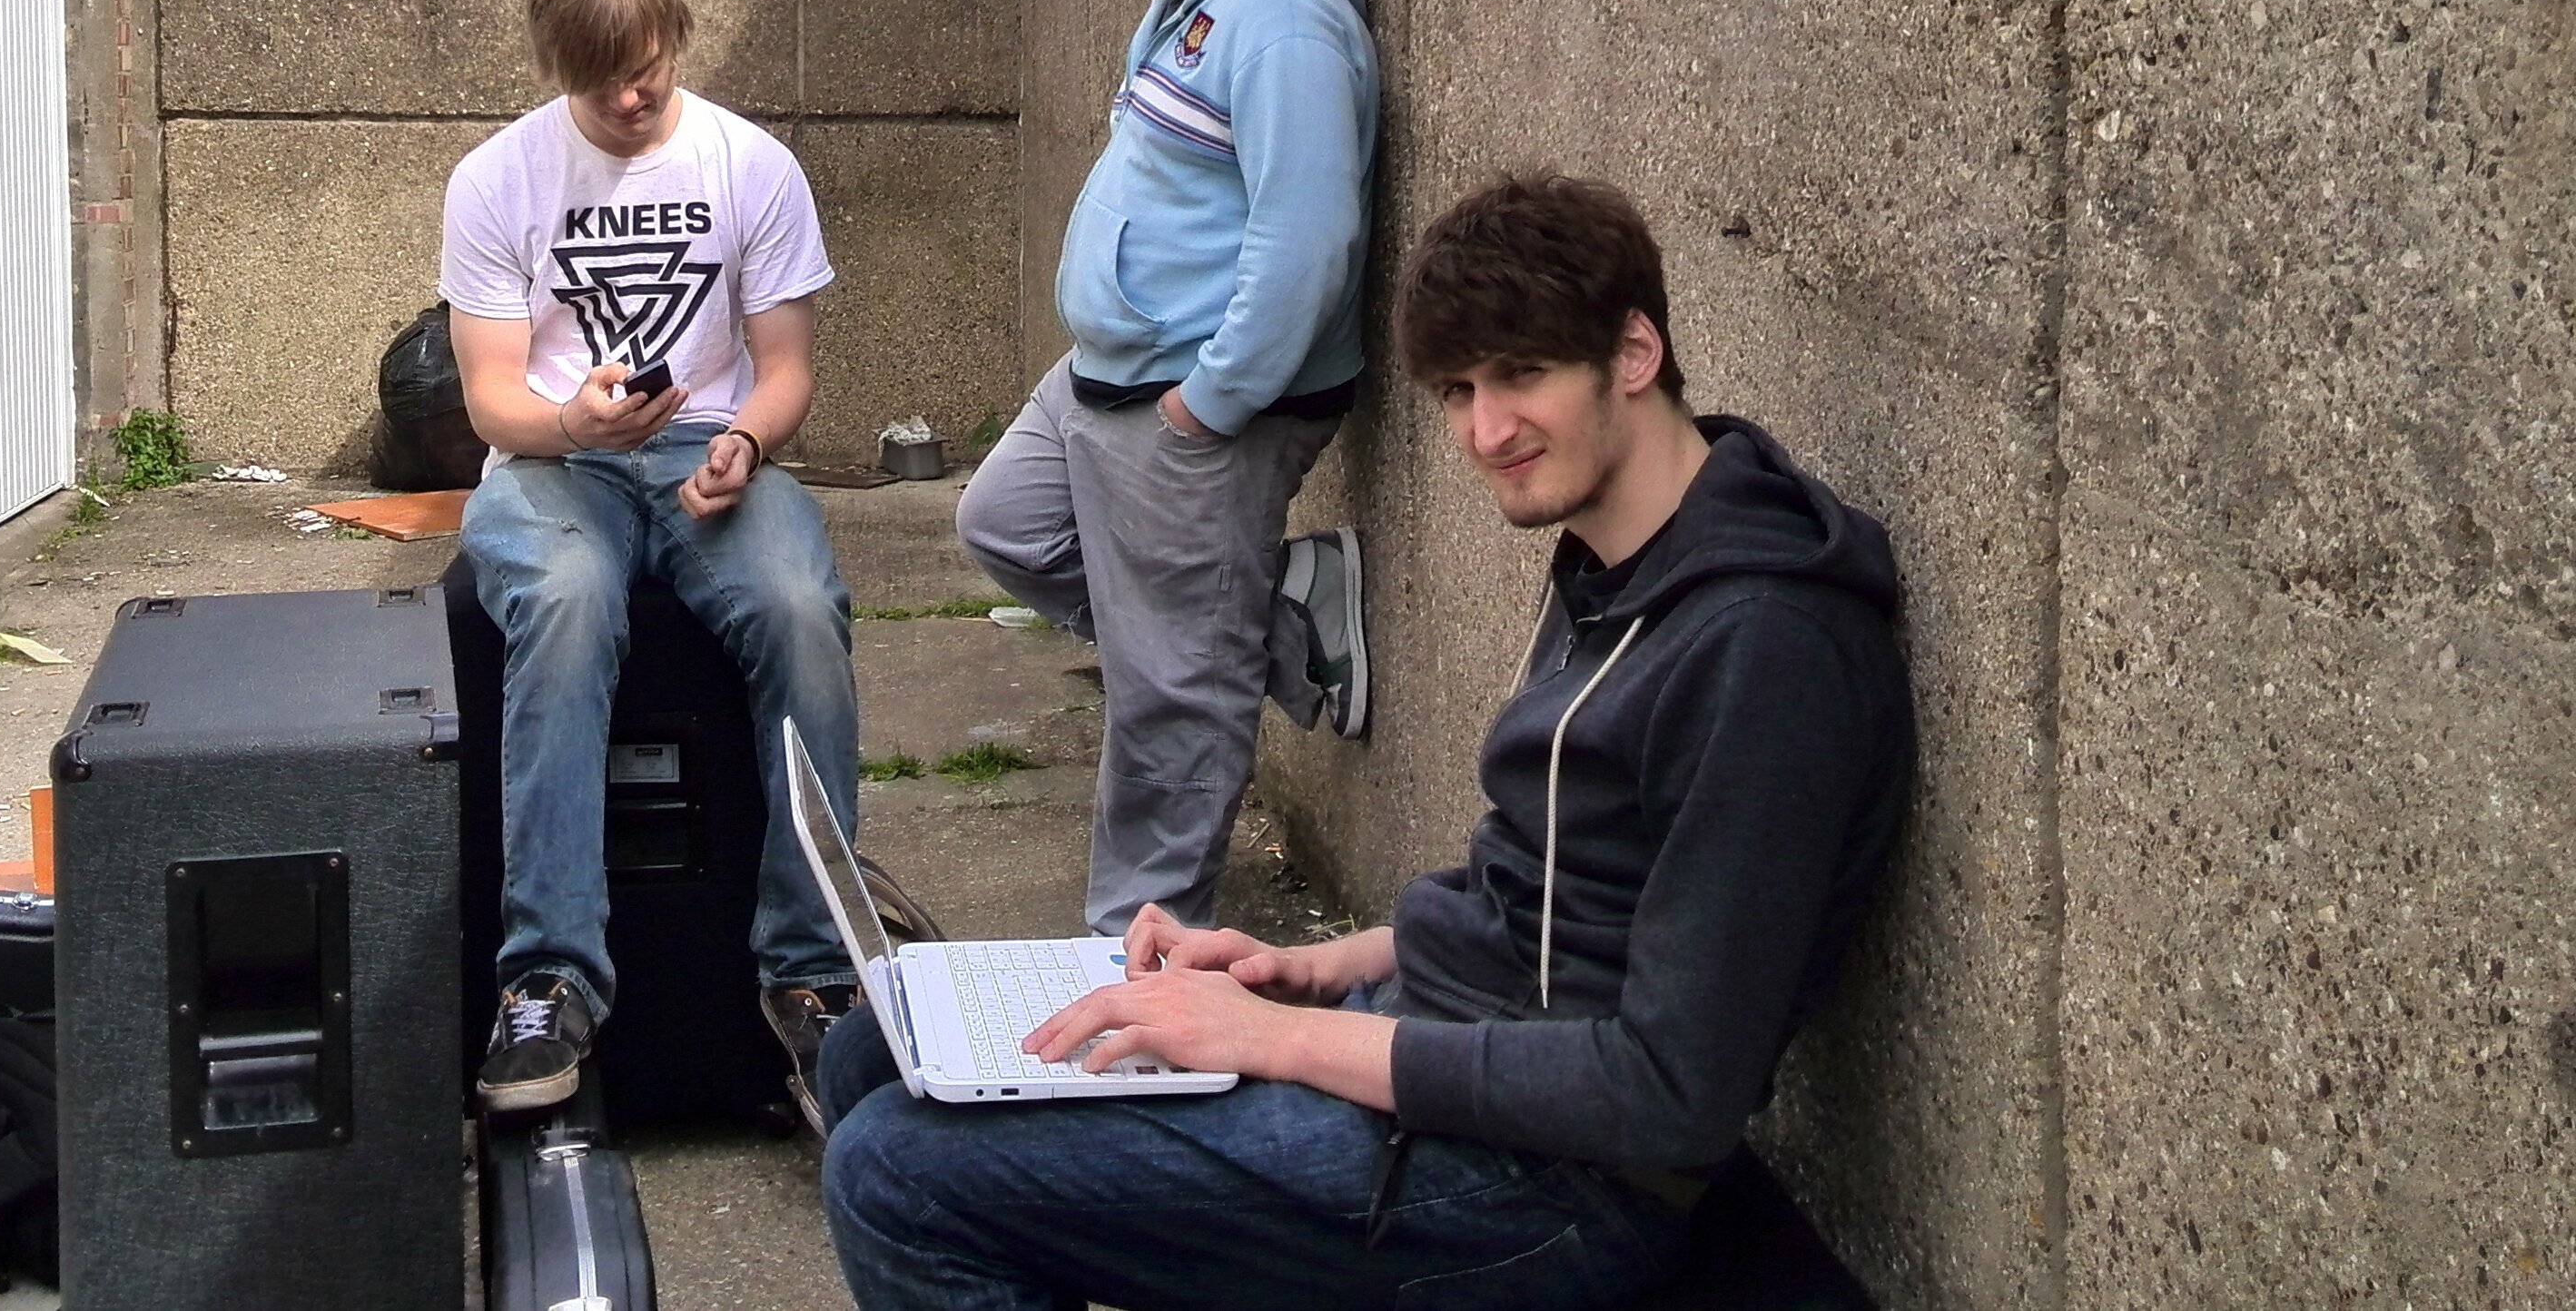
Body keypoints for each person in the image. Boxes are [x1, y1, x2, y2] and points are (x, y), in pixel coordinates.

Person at [822, 174, 1919, 1310]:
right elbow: (1538, 896)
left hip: (1538, 1187)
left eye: (1522, 374)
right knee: (876, 1051)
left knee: (898, 1176)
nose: (1485, 431)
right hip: (1432, 1047)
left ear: (1632, 351)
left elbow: (1664, 1090)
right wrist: (1309, 966)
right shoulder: (1624, 553)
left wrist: (1267, 1038)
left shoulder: (1764, 652)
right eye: (1457, 389)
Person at [442, 0, 861, 1118]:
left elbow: (784, 367)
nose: (630, 96)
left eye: (648, 67)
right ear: (557, 64)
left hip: (706, 454)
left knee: (798, 604)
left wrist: (745, 439)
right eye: (600, 78)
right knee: (566, 603)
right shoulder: (495, 179)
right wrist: (574, 423)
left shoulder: (751, 166)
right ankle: (547, 980)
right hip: (555, 459)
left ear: (675, 34)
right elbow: (490, 392)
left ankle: (812, 971)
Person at [956, 0, 1383, 938]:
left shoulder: (1281, 18)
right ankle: (1280, 617)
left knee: (1169, 699)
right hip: (1106, 374)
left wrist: (1211, 401)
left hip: (1195, 400)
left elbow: (1309, 235)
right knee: (1002, 524)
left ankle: (1135, 960)